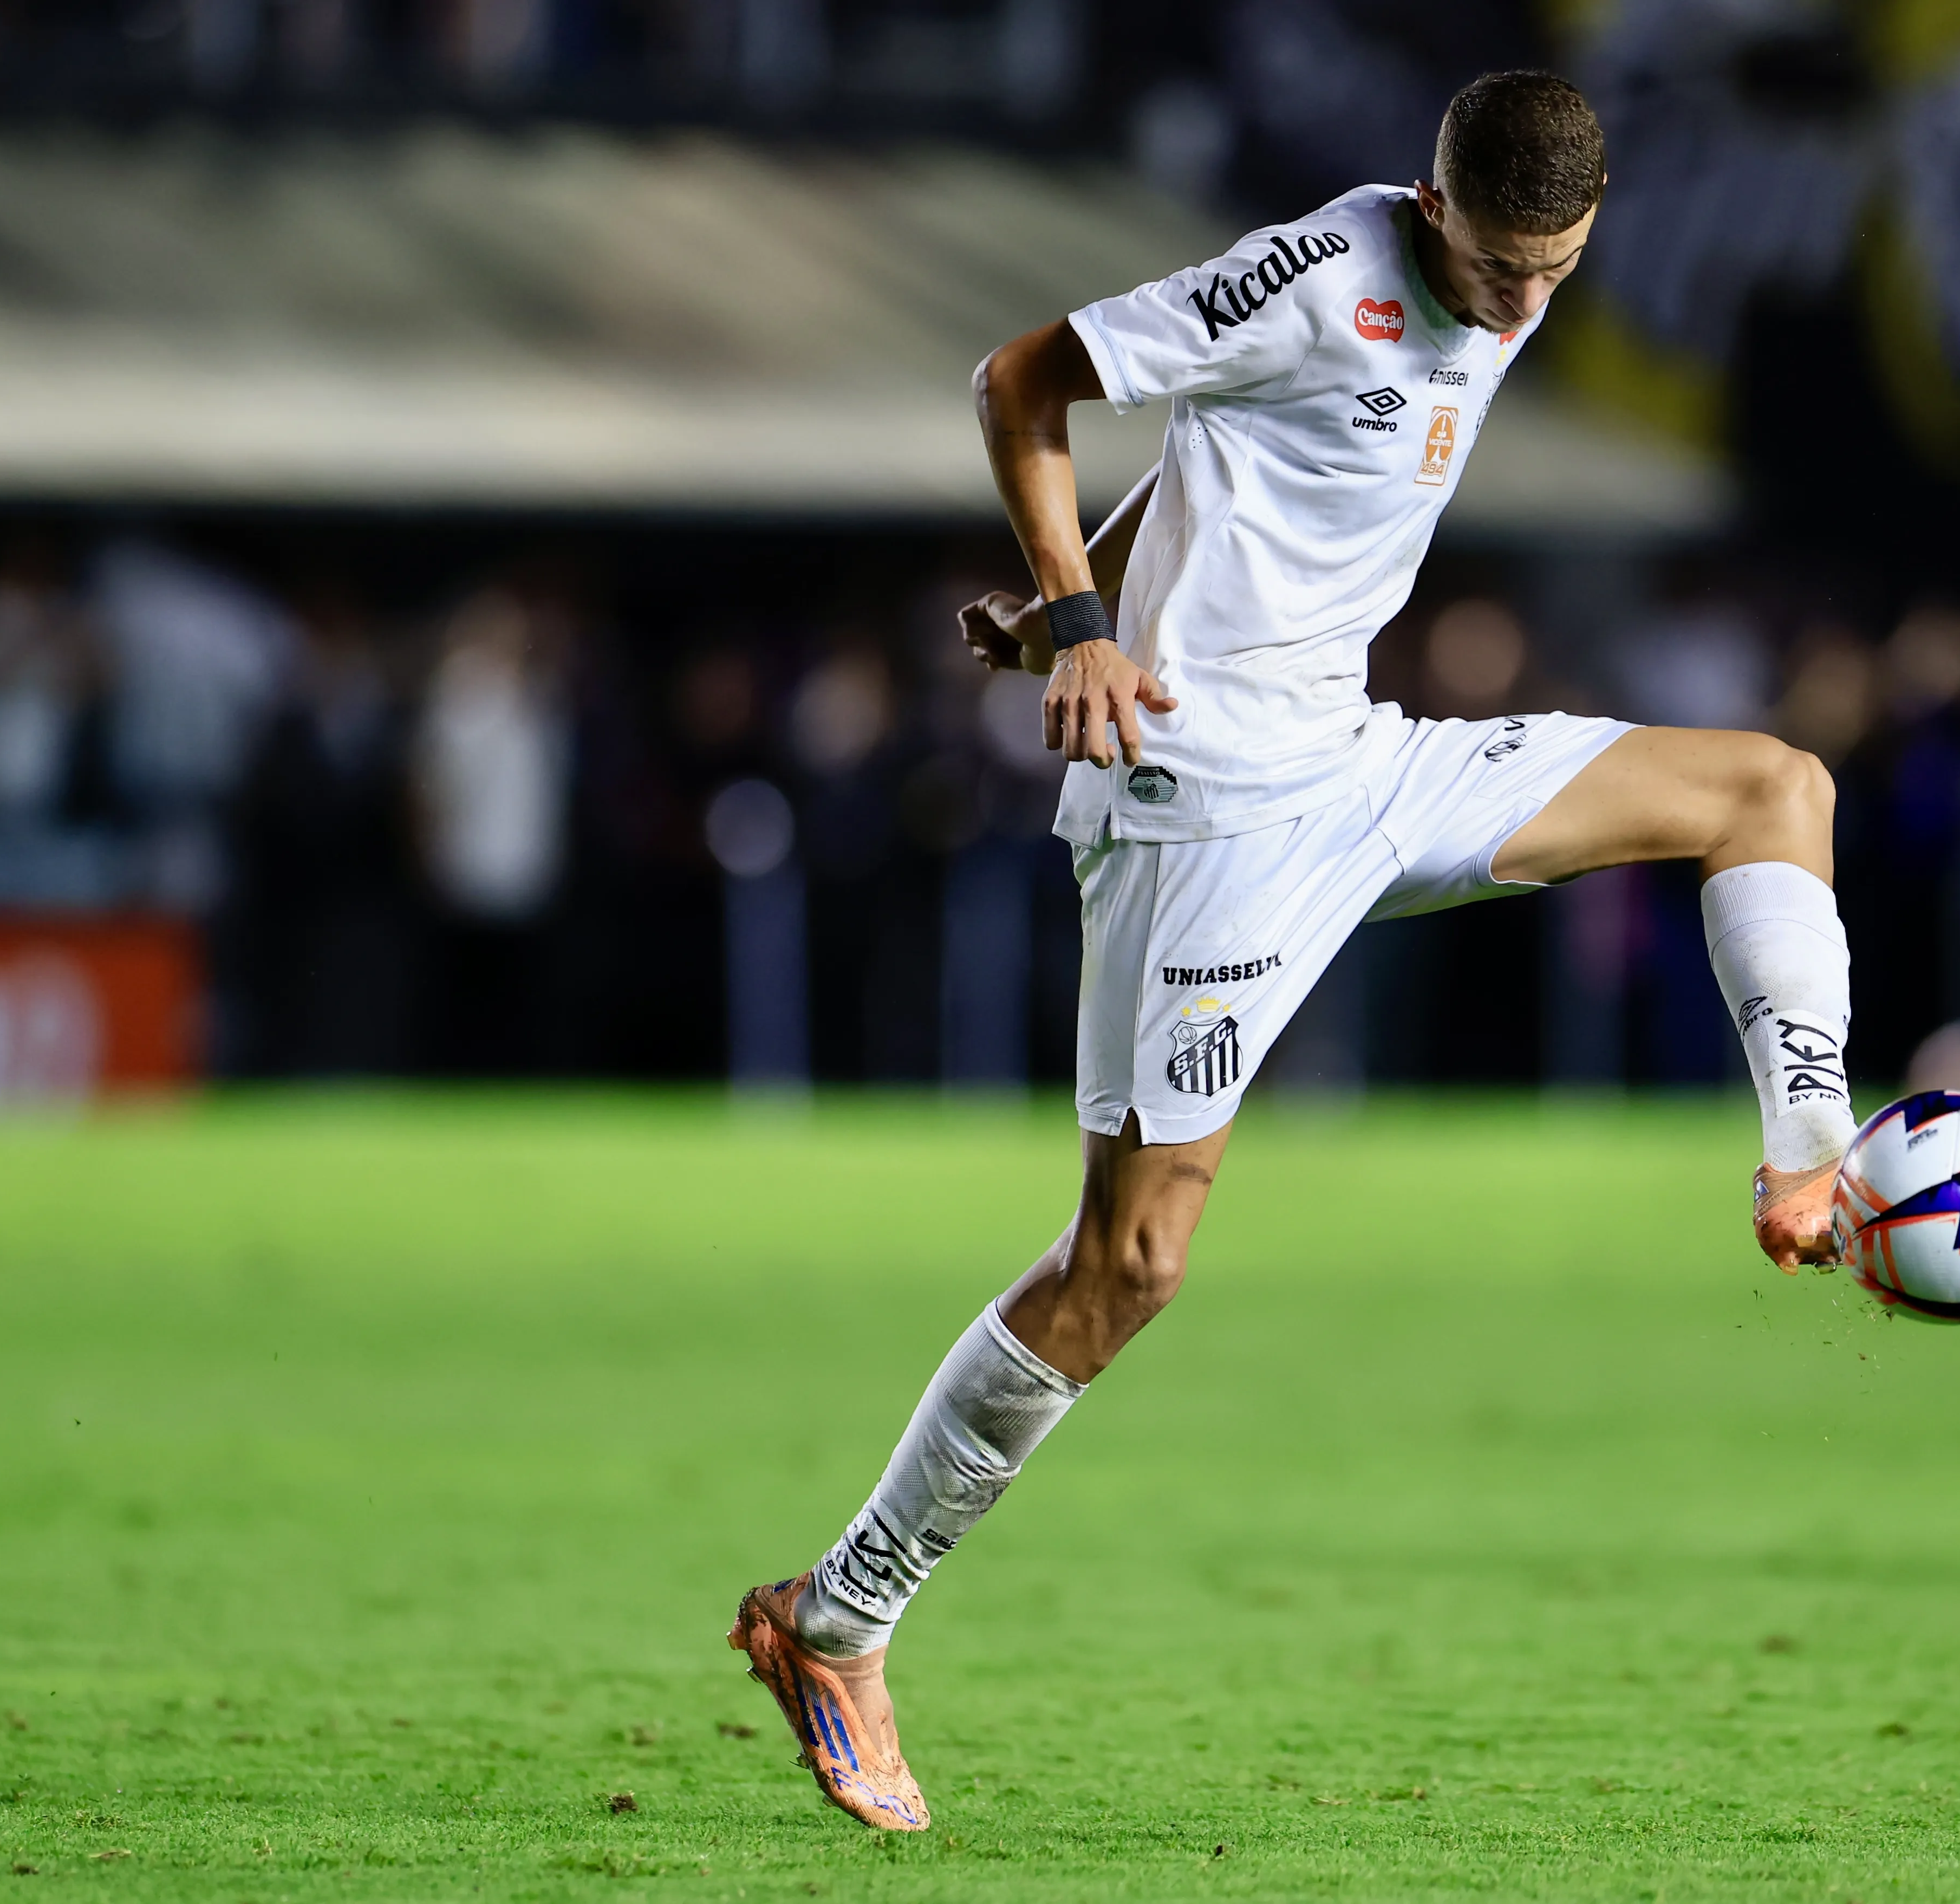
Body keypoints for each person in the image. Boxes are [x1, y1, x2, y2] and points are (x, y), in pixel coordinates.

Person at [728, 71, 1858, 1832]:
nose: (1521, 300)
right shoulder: (1322, 275)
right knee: (1130, 1267)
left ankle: (1813, 1163)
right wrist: (1084, 628)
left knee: (1772, 787)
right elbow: (1020, 379)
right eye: (1498, 266)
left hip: (1355, 761)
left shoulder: (1509, 290)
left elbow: (1226, 466)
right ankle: (839, 1618)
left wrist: (1072, 604)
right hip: (1205, 811)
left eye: (1555, 269)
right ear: (1433, 202)